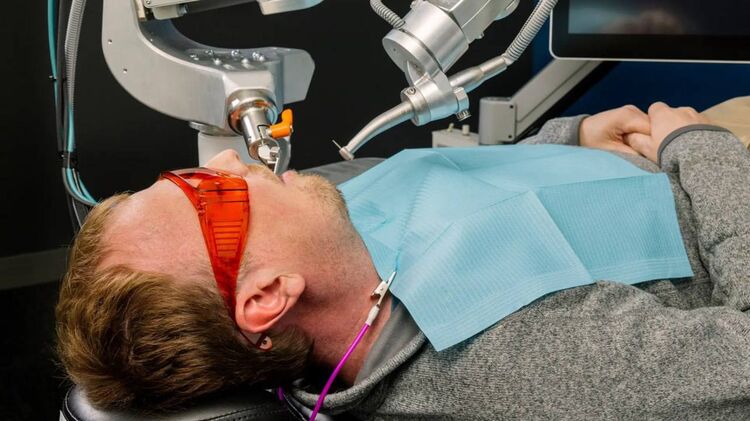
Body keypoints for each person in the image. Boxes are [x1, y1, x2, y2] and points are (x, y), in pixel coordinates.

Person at [56, 102, 750, 419]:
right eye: (211, 195)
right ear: (266, 296)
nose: (230, 161)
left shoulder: (322, 232)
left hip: (645, 154)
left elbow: (448, 190)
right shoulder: (526, 367)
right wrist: (701, 148)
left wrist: (568, 140)